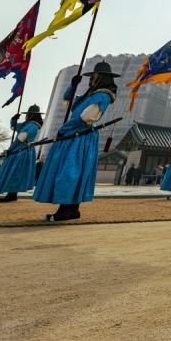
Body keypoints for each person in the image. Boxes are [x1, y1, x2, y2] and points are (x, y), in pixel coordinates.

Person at [33, 61, 117, 222]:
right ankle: (68, 209)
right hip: (73, 135)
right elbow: (69, 103)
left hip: (80, 137)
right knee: (67, 170)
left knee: (70, 172)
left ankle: (68, 209)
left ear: (102, 78)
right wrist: (72, 86)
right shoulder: (90, 95)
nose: (91, 80)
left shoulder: (103, 95)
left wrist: (64, 129)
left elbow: (85, 117)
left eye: (95, 77)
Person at [0, 104, 43, 202]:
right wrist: (13, 120)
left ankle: (11, 194)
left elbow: (20, 139)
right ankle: (12, 194)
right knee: (16, 172)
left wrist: (10, 149)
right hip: (23, 151)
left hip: (21, 151)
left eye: (28, 114)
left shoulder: (32, 126)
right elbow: (14, 127)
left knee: (15, 172)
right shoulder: (27, 124)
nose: (26, 116)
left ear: (31, 115)